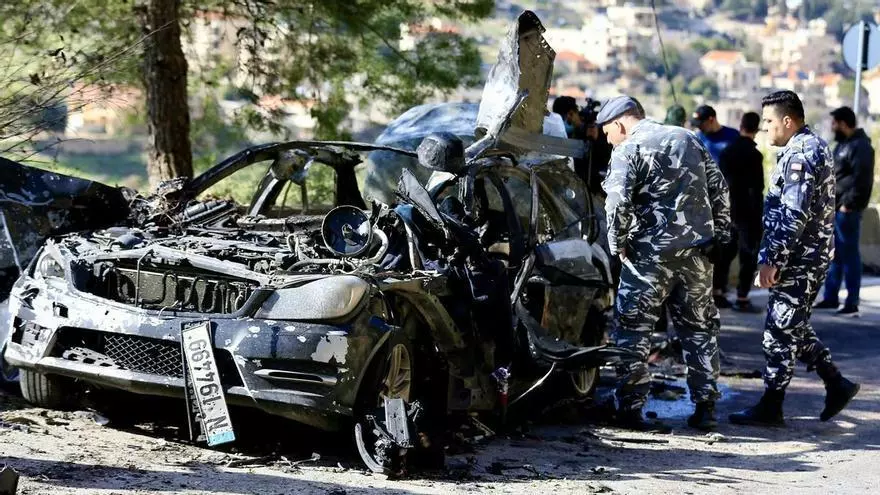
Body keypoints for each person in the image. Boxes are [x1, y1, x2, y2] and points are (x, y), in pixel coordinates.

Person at [598, 95, 731, 433]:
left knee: (632, 329)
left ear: (619, 123)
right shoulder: (687, 138)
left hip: (649, 258)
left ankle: (630, 407)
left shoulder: (629, 149)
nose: (607, 139)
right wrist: (722, 235)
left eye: (606, 132)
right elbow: (719, 189)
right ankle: (706, 408)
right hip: (698, 255)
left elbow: (617, 204)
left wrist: (618, 246)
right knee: (699, 330)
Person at [729, 91, 860, 427]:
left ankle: (772, 405)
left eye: (770, 121)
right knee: (792, 325)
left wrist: (771, 259)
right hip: (806, 257)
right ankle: (836, 382)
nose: (765, 128)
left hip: (799, 259)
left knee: (778, 331)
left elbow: (793, 214)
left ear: (788, 121)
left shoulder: (801, 153)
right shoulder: (812, 145)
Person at [814, 106, 875, 317]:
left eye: (834, 123)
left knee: (849, 256)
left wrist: (849, 203)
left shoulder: (861, 146)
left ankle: (852, 301)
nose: (832, 127)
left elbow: (862, 179)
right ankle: (831, 297)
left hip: (846, 209)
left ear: (843, 123)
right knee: (835, 255)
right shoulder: (842, 145)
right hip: (833, 207)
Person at [689, 105, 741, 308]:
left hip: (727, 202)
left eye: (701, 123)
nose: (699, 128)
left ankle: (719, 290)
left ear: (711, 119)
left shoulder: (732, 137)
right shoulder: (697, 138)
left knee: (726, 247)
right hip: (701, 202)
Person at [715, 112, 765, 313]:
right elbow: (757, 188)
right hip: (747, 213)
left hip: (727, 210)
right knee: (748, 255)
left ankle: (718, 292)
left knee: (724, 254)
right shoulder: (754, 155)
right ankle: (742, 297)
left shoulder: (727, 151)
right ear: (756, 129)